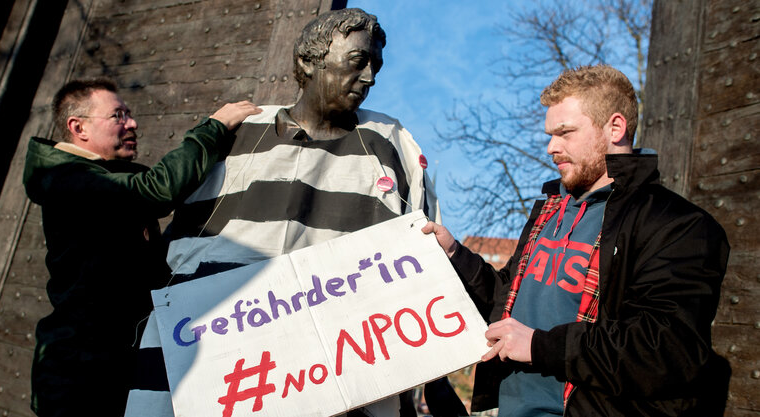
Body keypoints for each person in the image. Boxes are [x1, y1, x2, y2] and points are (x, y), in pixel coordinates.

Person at [125, 8, 465, 417]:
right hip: (217, 359)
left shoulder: (390, 145)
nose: (371, 77)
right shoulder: (239, 133)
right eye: (358, 62)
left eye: (376, 65)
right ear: (308, 61)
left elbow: (425, 266)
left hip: (333, 375)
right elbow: (171, 239)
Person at [422, 64, 730, 416]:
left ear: (615, 127)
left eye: (565, 132)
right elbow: (504, 303)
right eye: (550, 134)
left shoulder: (679, 225)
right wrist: (454, 254)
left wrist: (541, 346)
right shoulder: (549, 214)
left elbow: (666, 350)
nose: (552, 147)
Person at [23, 78, 260, 417]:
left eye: (130, 114)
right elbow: (157, 190)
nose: (132, 123)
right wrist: (215, 128)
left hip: (111, 364)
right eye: (118, 115)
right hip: (79, 379)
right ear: (78, 128)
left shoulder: (98, 176)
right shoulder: (69, 180)